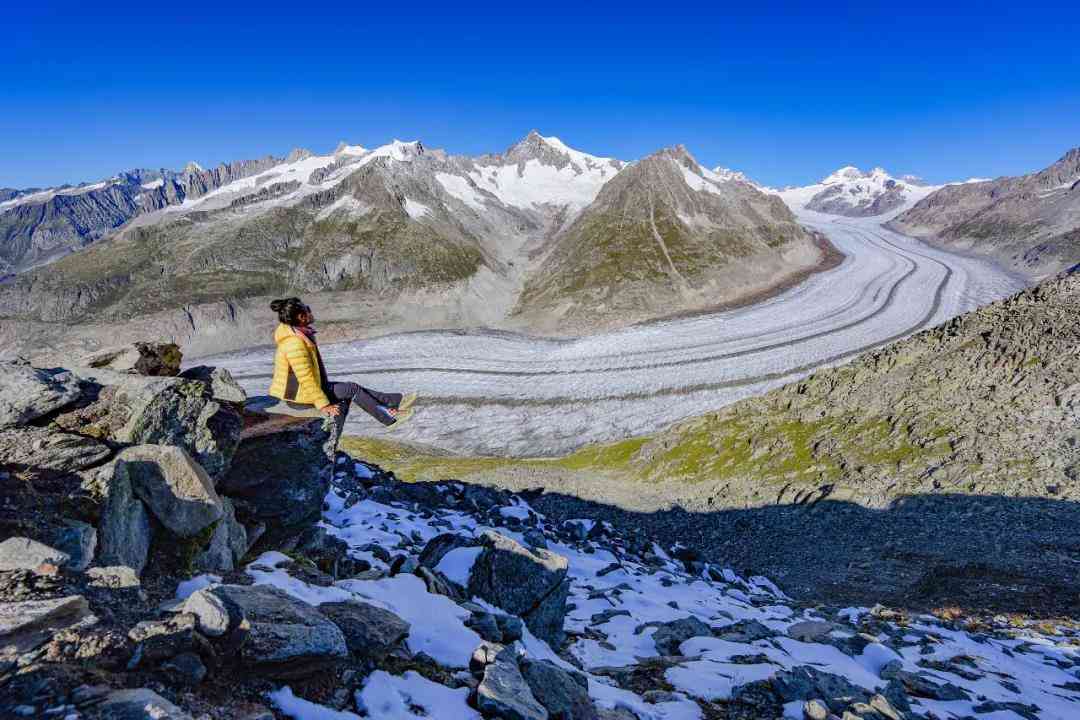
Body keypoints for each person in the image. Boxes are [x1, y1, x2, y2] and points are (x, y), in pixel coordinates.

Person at [267, 297, 416, 428]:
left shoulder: (298, 333)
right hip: (299, 397)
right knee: (352, 389)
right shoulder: (295, 344)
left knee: (352, 387)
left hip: (304, 392)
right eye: (308, 309)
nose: (311, 311)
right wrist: (324, 405)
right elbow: (306, 379)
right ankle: (389, 417)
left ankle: (393, 401)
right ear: (301, 317)